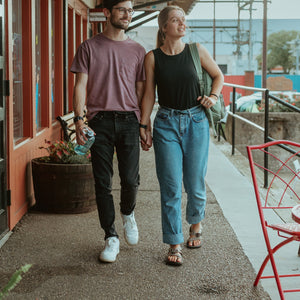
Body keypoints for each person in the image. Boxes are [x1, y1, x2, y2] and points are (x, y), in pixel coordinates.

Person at [139, 5, 224, 266]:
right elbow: (149, 94)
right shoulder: (153, 57)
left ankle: (196, 225)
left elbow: (218, 75)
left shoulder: (196, 51)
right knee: (171, 186)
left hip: (196, 121)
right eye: (175, 21)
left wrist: (213, 96)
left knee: (195, 181)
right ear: (164, 27)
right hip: (166, 124)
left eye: (183, 20)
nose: (181, 24)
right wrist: (144, 125)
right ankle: (174, 243)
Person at [70, 0, 146, 263]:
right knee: (102, 183)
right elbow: (81, 85)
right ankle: (110, 237)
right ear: (106, 13)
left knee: (131, 180)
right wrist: (79, 120)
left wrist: (143, 123)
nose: (128, 15)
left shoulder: (138, 50)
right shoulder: (88, 47)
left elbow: (141, 91)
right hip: (98, 121)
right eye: (122, 9)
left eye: (130, 10)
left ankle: (128, 213)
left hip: (129, 121)